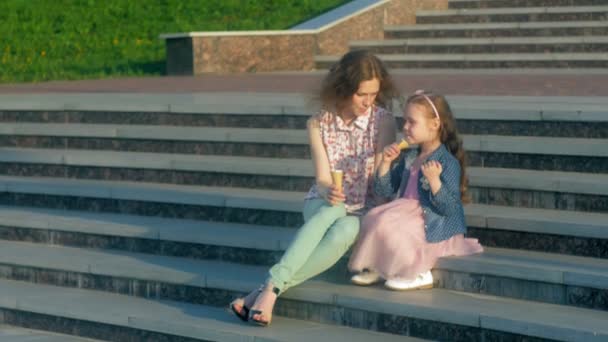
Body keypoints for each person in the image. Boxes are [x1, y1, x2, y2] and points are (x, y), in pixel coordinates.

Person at [229, 50, 397, 326]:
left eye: (373, 94)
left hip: (363, 209)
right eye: (361, 94)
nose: (369, 102)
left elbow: (381, 184)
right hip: (323, 202)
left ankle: (267, 290)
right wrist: (329, 190)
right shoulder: (318, 123)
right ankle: (270, 290)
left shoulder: (384, 121)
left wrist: (385, 165)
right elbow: (321, 178)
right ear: (343, 89)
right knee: (332, 212)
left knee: (346, 229)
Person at [348, 90, 483, 291]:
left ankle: (418, 272)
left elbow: (449, 208)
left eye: (412, 122)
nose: (405, 127)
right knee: (374, 217)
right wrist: (385, 164)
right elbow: (384, 189)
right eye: (405, 121)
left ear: (434, 125)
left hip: (432, 220)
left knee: (394, 225)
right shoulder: (411, 156)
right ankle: (381, 265)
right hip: (403, 210)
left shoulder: (448, 162)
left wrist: (435, 181)